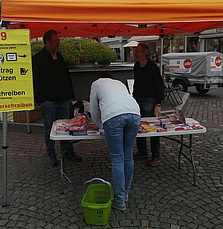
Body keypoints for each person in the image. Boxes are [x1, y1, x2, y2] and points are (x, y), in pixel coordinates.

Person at [90, 72, 141, 211]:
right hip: (135, 113)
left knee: (117, 159)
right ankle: (125, 195)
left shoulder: (96, 84)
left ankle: (119, 200)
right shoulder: (119, 83)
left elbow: (93, 111)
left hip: (113, 116)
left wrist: (100, 126)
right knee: (128, 155)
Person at [32, 29, 81, 166]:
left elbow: (65, 77)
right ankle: (51, 154)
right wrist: (42, 99)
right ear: (47, 42)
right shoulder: (38, 59)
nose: (58, 44)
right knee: (49, 128)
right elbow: (35, 81)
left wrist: (69, 95)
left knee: (66, 127)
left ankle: (67, 151)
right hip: (48, 101)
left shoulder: (59, 56)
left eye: (58, 41)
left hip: (62, 99)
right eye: (55, 41)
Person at [133, 43, 165, 167]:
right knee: (138, 126)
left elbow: (159, 85)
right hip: (137, 99)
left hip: (150, 100)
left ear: (144, 52)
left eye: (137, 51)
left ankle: (155, 155)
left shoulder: (152, 67)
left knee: (152, 128)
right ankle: (142, 150)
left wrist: (158, 103)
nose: (135, 53)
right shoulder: (136, 66)